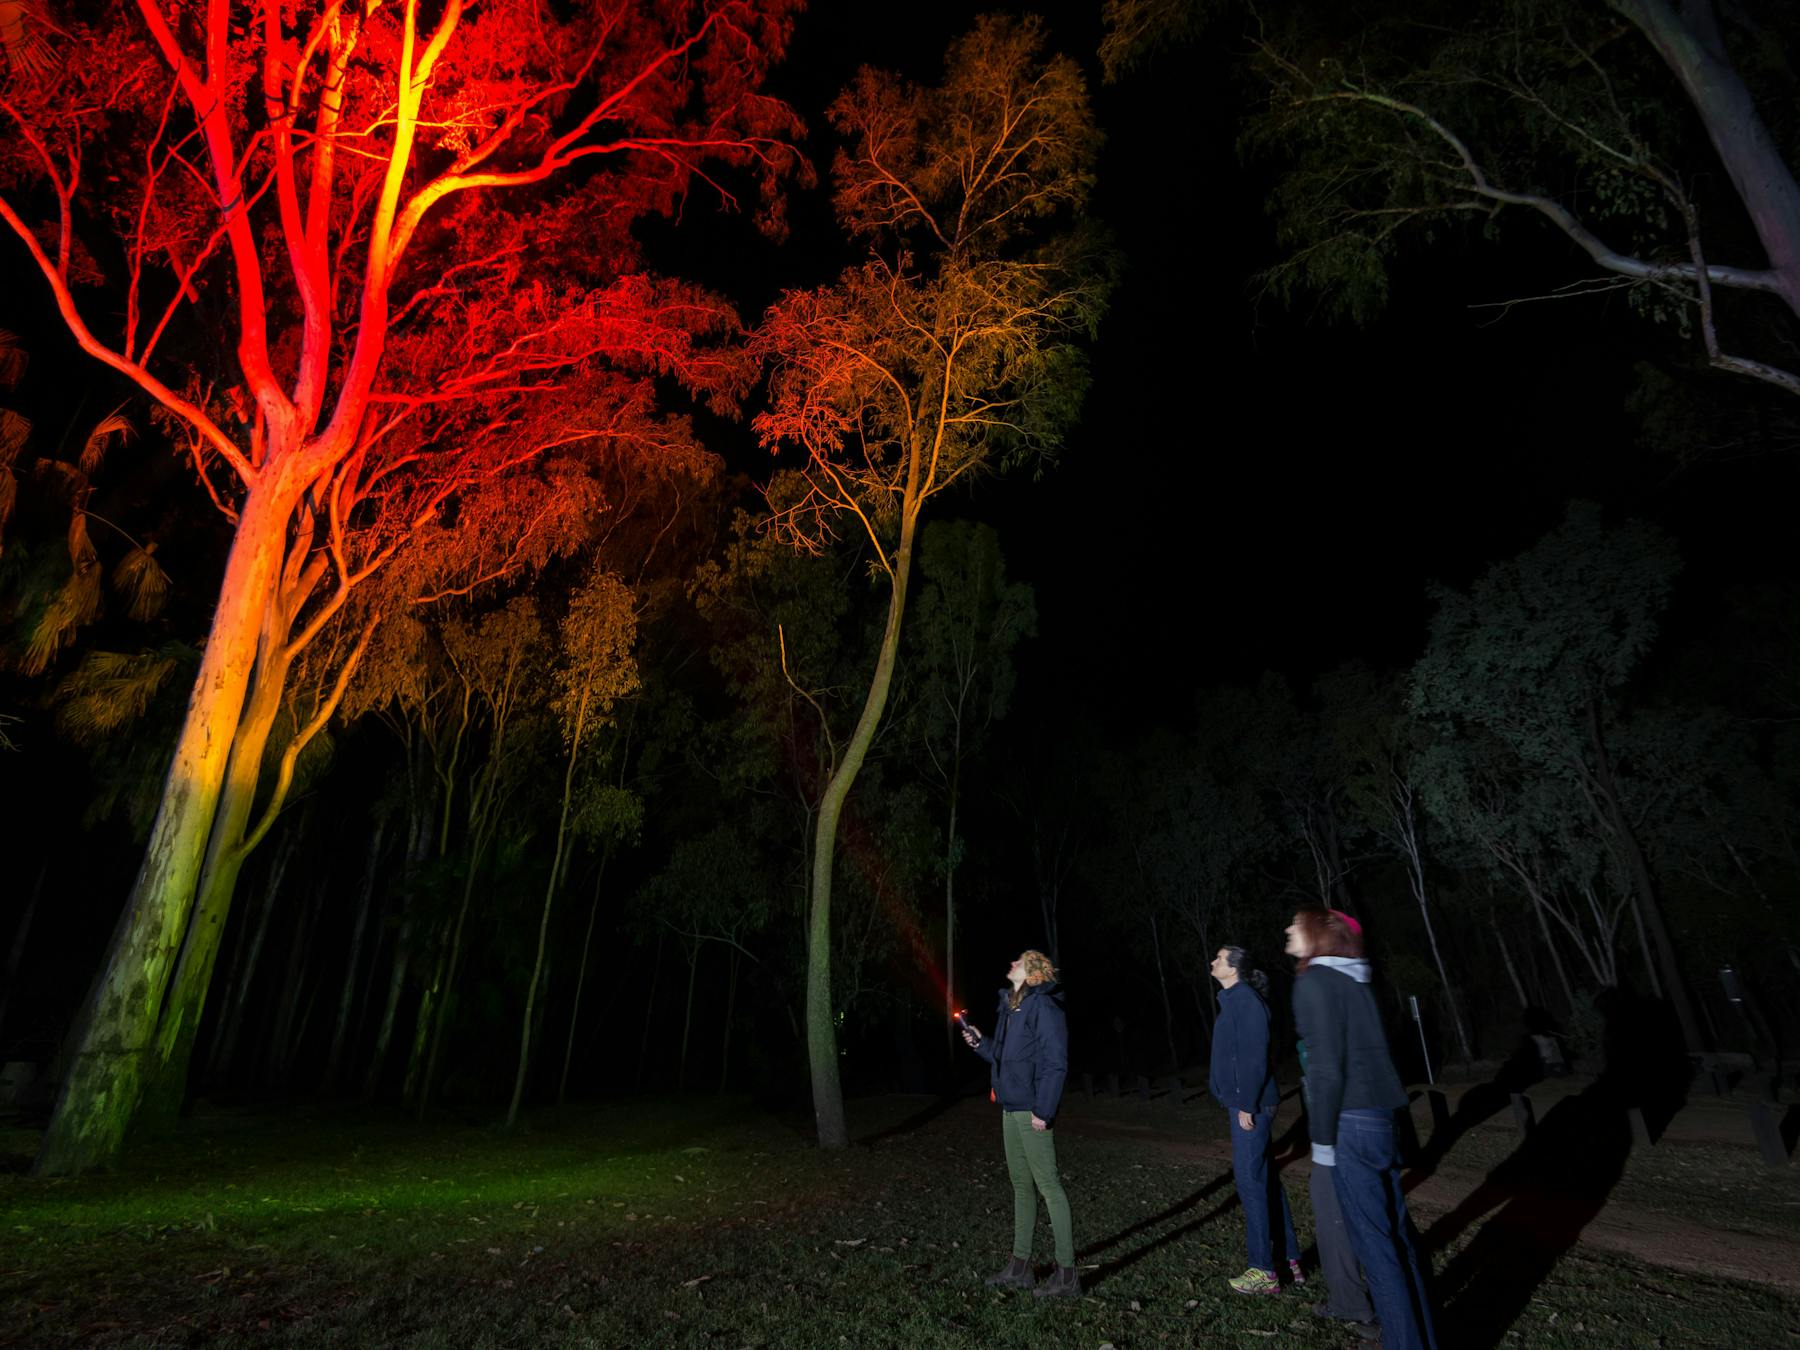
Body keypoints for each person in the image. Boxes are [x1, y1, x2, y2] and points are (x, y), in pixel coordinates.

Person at [1288, 907, 1439, 1350]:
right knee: (1397, 1237)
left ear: (1316, 935)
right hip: (1380, 1120)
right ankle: (1422, 1336)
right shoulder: (1355, 981)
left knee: (1376, 1248)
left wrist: (1322, 1143)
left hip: (1348, 1125)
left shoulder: (1314, 981)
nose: (1288, 930)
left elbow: (1326, 1068)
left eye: (1295, 925)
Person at [960, 949, 1077, 1298]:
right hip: (1010, 1110)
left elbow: (1056, 1062)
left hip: (1031, 1111)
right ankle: (1020, 1267)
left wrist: (1044, 1110)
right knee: (1021, 1187)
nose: (1010, 963)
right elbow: (1004, 1057)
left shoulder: (1043, 1007)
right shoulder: (1011, 1008)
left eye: (1019, 961)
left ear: (1034, 972)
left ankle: (1067, 1273)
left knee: (1049, 1187)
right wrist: (982, 1043)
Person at [1208, 945, 1303, 1296]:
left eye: (1219, 958)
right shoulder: (1234, 999)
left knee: (1250, 1184)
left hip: (1252, 1105)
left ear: (1234, 968)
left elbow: (1253, 1058)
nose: (1213, 962)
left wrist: (1246, 1102)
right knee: (1264, 1181)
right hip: (1246, 1102)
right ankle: (1290, 1259)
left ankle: (1263, 1269)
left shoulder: (1245, 1000)